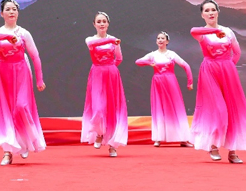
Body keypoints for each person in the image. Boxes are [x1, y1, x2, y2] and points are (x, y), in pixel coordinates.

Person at [190, 0, 246, 163]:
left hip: (227, 71)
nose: (210, 13)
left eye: (213, 9)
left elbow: (237, 53)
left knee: (232, 108)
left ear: (218, 12)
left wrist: (228, 66)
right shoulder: (202, 33)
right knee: (218, 109)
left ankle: (232, 151)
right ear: (202, 15)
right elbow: (193, 31)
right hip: (209, 72)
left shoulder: (228, 31)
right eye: (206, 10)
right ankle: (213, 145)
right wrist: (214, 31)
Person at [0, 0, 46, 165]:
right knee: (6, 112)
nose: (11, 12)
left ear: (18, 13)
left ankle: (23, 142)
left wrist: (39, 79)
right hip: (3, 74)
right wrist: (7, 36)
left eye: (14, 9)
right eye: (8, 9)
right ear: (1, 13)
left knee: (21, 106)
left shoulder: (24, 33)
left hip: (21, 72)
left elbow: (35, 56)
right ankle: (8, 152)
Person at [82, 12, 128, 157]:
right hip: (97, 74)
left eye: (104, 21)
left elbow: (119, 58)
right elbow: (92, 45)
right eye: (99, 21)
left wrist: (110, 68)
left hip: (112, 75)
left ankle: (112, 146)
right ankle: (99, 133)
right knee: (98, 108)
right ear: (94, 24)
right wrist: (112, 41)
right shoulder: (90, 39)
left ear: (108, 24)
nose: (102, 24)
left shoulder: (114, 41)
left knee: (113, 109)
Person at [136, 31, 193, 147]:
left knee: (176, 108)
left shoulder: (171, 54)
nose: (160, 40)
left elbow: (186, 66)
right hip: (157, 82)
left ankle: (183, 139)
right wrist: (149, 63)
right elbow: (138, 62)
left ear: (167, 41)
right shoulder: (153, 55)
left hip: (170, 82)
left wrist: (190, 82)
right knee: (159, 108)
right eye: (158, 38)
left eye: (162, 38)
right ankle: (159, 137)